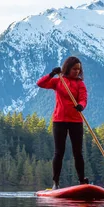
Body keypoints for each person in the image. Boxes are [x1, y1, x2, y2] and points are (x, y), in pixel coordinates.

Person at [37, 56, 88, 190]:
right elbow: (40, 84)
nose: (77, 71)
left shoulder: (80, 83)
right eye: (74, 69)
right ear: (68, 68)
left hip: (76, 121)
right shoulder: (58, 81)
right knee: (59, 152)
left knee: (78, 153)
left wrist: (81, 106)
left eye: (79, 69)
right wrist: (52, 74)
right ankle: (56, 183)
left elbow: (83, 99)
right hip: (59, 121)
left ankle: (82, 181)